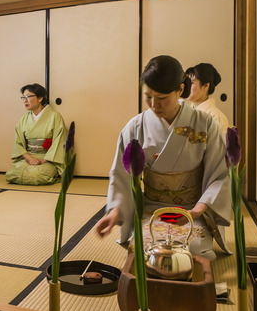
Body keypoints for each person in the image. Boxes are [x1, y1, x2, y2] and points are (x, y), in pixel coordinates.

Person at [94, 55, 230, 260]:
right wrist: (115, 211)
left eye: (162, 98)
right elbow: (121, 176)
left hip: (191, 210)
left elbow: (220, 174)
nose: (154, 105)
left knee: (191, 250)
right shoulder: (135, 127)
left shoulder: (205, 124)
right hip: (151, 209)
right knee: (147, 250)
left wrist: (197, 211)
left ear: (180, 90)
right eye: (148, 96)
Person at [4, 84, 67, 185]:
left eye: (28, 97)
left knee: (35, 176)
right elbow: (18, 144)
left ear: (40, 98)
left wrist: (45, 160)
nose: (25, 101)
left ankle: (52, 173)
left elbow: (59, 142)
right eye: (23, 97)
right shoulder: (23, 119)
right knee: (11, 174)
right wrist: (30, 159)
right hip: (29, 159)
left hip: (48, 160)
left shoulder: (55, 117)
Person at [185, 63, 230, 133]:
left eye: (191, 83)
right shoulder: (185, 112)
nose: (187, 86)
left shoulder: (216, 117)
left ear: (206, 86)